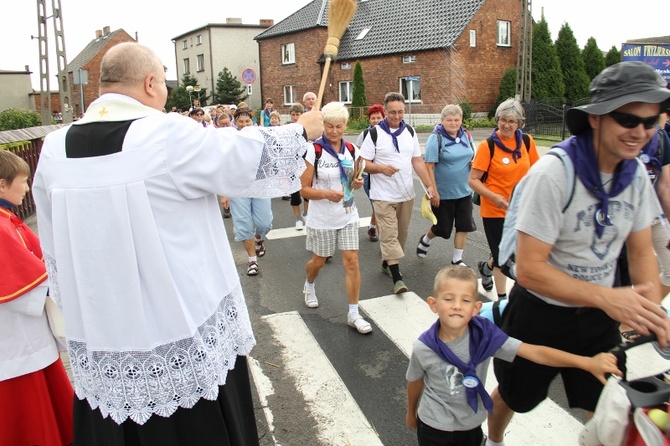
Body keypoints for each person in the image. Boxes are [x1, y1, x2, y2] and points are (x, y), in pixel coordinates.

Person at [32, 42, 323, 446]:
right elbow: (241, 154)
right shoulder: (164, 134)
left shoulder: (53, 150)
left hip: (103, 336)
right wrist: (303, 130)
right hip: (179, 334)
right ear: (151, 83)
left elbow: (53, 250)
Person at [486, 61, 670, 446]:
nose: (640, 132)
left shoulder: (634, 173)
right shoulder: (553, 175)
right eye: (628, 119)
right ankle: (495, 440)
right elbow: (532, 271)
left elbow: (641, 253)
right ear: (598, 118)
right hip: (539, 311)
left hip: (600, 316)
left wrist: (650, 310)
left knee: (610, 405)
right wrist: (610, 298)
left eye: (650, 122)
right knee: (514, 396)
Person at [406, 265, 621, 446]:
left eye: (465, 300)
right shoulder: (424, 347)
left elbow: (535, 352)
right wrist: (410, 412)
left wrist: (586, 362)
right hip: (434, 427)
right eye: (448, 299)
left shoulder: (486, 338)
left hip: (471, 425)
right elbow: (415, 382)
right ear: (433, 304)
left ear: (476, 308)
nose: (456, 306)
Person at [0, 150, 74, 446]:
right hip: (14, 332)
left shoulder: (7, 220)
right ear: (1, 185)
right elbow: (26, 281)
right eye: (23, 181)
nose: (27, 188)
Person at [300, 102, 372, 333]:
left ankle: (353, 313)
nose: (333, 131)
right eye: (329, 126)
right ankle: (309, 284)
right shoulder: (314, 151)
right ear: (323, 125)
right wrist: (326, 194)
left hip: (348, 213)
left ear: (345, 126)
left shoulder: (352, 150)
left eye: (338, 126)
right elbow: (303, 189)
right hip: (322, 217)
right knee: (319, 262)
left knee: (352, 262)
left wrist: (357, 183)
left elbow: (355, 182)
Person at [360, 92, 435, 294]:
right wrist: (381, 169)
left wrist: (429, 185)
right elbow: (362, 163)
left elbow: (417, 161)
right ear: (385, 111)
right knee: (389, 235)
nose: (396, 116)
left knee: (401, 236)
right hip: (382, 195)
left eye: (400, 112)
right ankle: (397, 278)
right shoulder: (374, 133)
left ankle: (387, 263)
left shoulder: (409, 131)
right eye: (392, 112)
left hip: (405, 194)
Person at [468, 98, 539, 300]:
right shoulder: (487, 146)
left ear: (519, 124)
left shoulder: (527, 142)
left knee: (518, 254)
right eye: (503, 120)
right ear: (497, 120)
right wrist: (494, 197)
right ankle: (503, 300)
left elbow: (537, 172)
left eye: (512, 121)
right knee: (503, 258)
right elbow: (473, 180)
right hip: (494, 211)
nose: (507, 125)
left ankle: (485, 267)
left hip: (521, 210)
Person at [417, 104, 477, 266]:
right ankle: (425, 239)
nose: (453, 123)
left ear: (461, 120)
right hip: (443, 193)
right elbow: (429, 166)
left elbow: (472, 157)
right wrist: (433, 191)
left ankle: (457, 259)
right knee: (443, 229)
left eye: (456, 120)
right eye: (449, 120)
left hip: (464, 191)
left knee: (464, 225)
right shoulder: (436, 139)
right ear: (442, 120)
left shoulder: (466, 135)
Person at [222, 107, 274, 276]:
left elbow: (269, 162)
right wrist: (224, 193)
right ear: (235, 123)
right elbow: (225, 167)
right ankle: (252, 261)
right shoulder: (230, 141)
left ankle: (259, 239)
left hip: (259, 186)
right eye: (241, 122)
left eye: (247, 121)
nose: (244, 124)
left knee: (264, 223)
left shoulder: (261, 139)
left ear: (253, 122)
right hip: (238, 187)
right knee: (244, 225)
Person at [355, 104, 385, 242]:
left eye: (378, 117)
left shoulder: (387, 133)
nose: (376, 120)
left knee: (379, 204)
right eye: (373, 118)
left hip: (383, 175)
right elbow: (358, 156)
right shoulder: (365, 134)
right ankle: (385, 241)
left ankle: (372, 226)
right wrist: (356, 174)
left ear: (383, 117)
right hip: (368, 176)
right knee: (378, 204)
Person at [287, 103, 309, 229]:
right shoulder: (287, 128)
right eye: (293, 115)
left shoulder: (306, 129)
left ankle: (306, 213)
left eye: (298, 114)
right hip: (292, 164)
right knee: (295, 194)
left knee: (306, 191)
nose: (295, 117)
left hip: (305, 163)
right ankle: (297, 218)